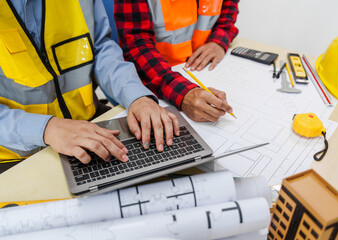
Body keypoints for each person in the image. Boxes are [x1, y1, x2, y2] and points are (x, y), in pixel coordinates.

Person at [0, 0, 179, 164]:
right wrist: (47, 129)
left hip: (93, 126)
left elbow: (99, 47)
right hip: (17, 155)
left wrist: (136, 96)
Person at [114, 0, 240, 122]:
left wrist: (219, 38)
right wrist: (183, 93)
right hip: (157, 76)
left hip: (203, 70)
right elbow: (135, 45)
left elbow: (228, 8)